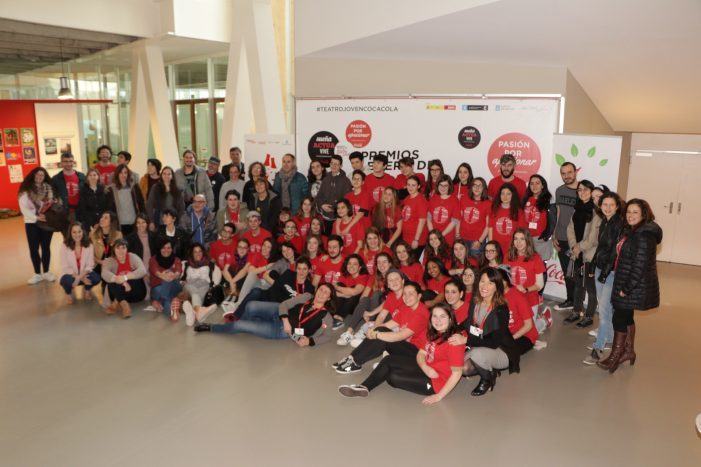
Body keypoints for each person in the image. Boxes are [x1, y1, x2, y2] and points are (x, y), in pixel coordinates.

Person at [339, 302, 465, 404]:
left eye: (442, 316)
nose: (438, 320)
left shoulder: (454, 341)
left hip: (435, 382)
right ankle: (363, 387)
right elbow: (421, 353)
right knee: (389, 361)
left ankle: (373, 370)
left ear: (450, 318)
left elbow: (457, 373)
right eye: (435, 316)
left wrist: (439, 396)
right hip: (426, 367)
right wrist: (425, 367)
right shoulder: (433, 332)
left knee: (392, 378)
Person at [598, 199, 662, 374]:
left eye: (635, 212)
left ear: (643, 214)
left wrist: (626, 288)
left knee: (619, 318)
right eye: (628, 212)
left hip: (632, 285)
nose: (630, 215)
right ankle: (628, 351)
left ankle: (616, 355)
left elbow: (639, 266)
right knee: (626, 317)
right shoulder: (633, 231)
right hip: (626, 281)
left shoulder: (644, 235)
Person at [448, 267, 521, 396]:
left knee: (472, 357)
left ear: (497, 286)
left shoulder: (500, 309)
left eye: (490, 283)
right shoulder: (475, 301)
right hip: (480, 343)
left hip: (501, 350)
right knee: (462, 367)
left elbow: (493, 342)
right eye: (482, 281)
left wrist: (466, 340)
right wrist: (453, 329)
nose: (484, 286)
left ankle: (487, 379)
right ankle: (489, 369)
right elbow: (469, 322)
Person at [196, 283, 335, 349]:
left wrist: (309, 342)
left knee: (240, 325)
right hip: (279, 313)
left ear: (329, 298)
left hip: (283, 331)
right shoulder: (307, 296)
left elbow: (328, 336)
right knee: (250, 305)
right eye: (321, 289)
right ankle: (248, 325)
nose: (321, 293)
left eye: (326, 293)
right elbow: (284, 305)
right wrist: (285, 319)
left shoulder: (326, 316)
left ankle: (212, 327)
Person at [334, 280, 430, 374]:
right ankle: (351, 358)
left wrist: (377, 335)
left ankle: (356, 363)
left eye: (411, 294)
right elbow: (391, 323)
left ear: (419, 296)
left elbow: (400, 336)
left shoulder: (421, 313)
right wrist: (374, 330)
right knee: (380, 329)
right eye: (404, 294)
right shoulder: (405, 307)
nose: (407, 297)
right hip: (404, 344)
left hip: (416, 353)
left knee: (382, 335)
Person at [583, 192, 625, 365]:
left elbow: (615, 252)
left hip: (610, 272)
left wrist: (605, 273)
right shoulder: (605, 222)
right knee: (606, 308)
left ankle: (598, 348)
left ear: (617, 206)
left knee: (605, 311)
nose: (607, 208)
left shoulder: (619, 224)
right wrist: (594, 266)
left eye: (611, 205)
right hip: (601, 269)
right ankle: (608, 338)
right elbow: (601, 247)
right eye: (604, 204)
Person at [564, 180, 601, 328]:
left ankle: (589, 316)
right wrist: (574, 246)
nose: (582, 192)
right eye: (579, 190)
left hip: (589, 255)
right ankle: (576, 311)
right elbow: (570, 229)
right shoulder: (576, 209)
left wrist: (580, 247)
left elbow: (593, 238)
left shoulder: (596, 211)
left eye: (586, 190)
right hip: (577, 253)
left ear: (591, 191)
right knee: (579, 284)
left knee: (591, 288)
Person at [18, 167, 57, 284]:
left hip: (46, 222)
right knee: (33, 248)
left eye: (42, 175)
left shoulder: (49, 189)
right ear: (33, 175)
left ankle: (46, 272)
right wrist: (36, 217)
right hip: (31, 223)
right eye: (37, 175)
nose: (39, 177)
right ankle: (37, 274)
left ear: (45, 177)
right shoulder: (25, 190)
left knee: (46, 247)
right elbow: (23, 208)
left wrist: (48, 215)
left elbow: (52, 204)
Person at [506, 228, 547, 333]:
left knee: (528, 333)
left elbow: (539, 285)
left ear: (527, 241)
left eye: (522, 239)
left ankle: (544, 320)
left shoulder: (536, 258)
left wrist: (526, 289)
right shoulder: (508, 256)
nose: (518, 242)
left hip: (530, 299)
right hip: (511, 301)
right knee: (514, 330)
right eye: (516, 239)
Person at [552, 162, 579, 311]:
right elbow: (558, 212)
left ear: (575, 172)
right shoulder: (559, 190)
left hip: (577, 240)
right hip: (561, 238)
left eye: (569, 172)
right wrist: (554, 234)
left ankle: (578, 304)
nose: (566, 176)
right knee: (567, 272)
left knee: (577, 273)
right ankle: (570, 300)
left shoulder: (583, 190)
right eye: (563, 173)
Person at [179, 243, 224, 326]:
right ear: (192, 253)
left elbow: (217, 278)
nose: (198, 253)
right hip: (189, 285)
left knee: (197, 293)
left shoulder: (210, 264)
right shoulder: (185, 264)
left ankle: (194, 314)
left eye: (200, 251)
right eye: (195, 252)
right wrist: (182, 282)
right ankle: (200, 311)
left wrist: (213, 286)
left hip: (204, 286)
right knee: (193, 289)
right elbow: (180, 278)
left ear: (203, 252)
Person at [101, 239, 147, 318]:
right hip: (119, 291)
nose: (121, 251)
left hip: (136, 294)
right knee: (112, 282)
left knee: (135, 278)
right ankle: (124, 305)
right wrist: (120, 280)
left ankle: (116, 302)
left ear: (127, 249)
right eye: (118, 248)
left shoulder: (133, 256)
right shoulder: (109, 261)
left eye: (123, 248)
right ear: (114, 250)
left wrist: (125, 278)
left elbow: (143, 270)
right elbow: (104, 273)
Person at [497, 268, 538, 355]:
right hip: (506, 333)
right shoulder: (495, 296)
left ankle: (544, 320)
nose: (499, 283)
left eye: (502, 280)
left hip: (525, 335)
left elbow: (528, 325)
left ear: (507, 280)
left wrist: (511, 338)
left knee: (507, 352)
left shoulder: (517, 296)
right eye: (496, 281)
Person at [59, 222, 101, 304]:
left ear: (83, 232)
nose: (77, 234)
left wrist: (79, 277)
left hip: (83, 273)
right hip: (71, 274)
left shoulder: (89, 245)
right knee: (66, 281)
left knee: (96, 278)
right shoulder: (65, 245)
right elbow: (65, 266)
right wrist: (79, 277)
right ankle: (68, 294)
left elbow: (90, 265)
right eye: (74, 232)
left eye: (79, 231)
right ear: (70, 233)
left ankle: (87, 290)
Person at [314, 155, 352, 232]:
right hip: (325, 218)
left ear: (340, 166)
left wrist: (333, 208)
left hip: (338, 219)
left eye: (336, 164)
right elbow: (319, 197)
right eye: (332, 163)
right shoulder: (325, 179)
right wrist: (322, 205)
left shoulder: (346, 181)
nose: (333, 166)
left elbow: (347, 202)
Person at [148, 239, 183, 320]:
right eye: (163, 248)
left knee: (162, 295)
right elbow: (156, 272)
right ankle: (172, 313)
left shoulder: (176, 259)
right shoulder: (153, 260)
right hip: (158, 287)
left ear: (172, 249)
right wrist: (164, 275)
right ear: (159, 248)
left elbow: (178, 272)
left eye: (169, 248)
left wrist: (171, 275)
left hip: (174, 287)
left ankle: (159, 301)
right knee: (164, 297)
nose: (166, 250)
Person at [332, 254, 369, 329]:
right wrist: (344, 294)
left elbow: (354, 292)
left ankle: (340, 317)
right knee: (340, 284)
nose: (351, 266)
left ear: (360, 267)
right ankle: (334, 314)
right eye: (349, 263)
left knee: (351, 290)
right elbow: (333, 291)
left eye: (355, 264)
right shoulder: (345, 275)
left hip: (357, 306)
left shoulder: (363, 276)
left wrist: (338, 288)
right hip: (346, 302)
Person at [457, 177, 491, 258]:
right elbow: (459, 218)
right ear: (471, 187)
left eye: (480, 186)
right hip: (463, 238)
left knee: (475, 267)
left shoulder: (488, 203)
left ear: (484, 188)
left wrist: (480, 241)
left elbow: (488, 225)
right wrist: (458, 235)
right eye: (475, 185)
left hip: (476, 241)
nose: (477, 188)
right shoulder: (464, 199)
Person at [523, 174, 553, 262]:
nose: (534, 186)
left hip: (541, 240)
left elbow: (553, 220)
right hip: (527, 240)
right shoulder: (525, 200)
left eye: (537, 183)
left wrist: (547, 235)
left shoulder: (549, 200)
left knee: (541, 269)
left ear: (542, 185)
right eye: (532, 184)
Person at [107, 164, 145, 236]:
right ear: (117, 174)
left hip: (134, 223)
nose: (123, 175)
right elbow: (110, 208)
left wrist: (143, 218)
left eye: (125, 172)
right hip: (119, 225)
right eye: (121, 173)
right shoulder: (111, 189)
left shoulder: (134, 187)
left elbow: (141, 203)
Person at [488, 183, 525, 256]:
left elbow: (521, 232)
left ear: (513, 196)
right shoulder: (494, 209)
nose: (505, 196)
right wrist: (491, 247)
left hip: (512, 248)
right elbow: (490, 229)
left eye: (508, 194)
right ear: (499, 195)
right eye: (503, 194)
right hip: (496, 248)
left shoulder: (519, 212)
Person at [397, 175, 428, 258]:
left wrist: (416, 239)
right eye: (408, 185)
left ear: (418, 186)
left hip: (417, 240)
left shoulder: (421, 200)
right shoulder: (407, 198)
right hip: (406, 238)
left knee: (412, 262)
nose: (410, 187)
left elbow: (422, 221)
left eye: (413, 185)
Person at [90, 211, 123, 283]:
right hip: (98, 264)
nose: (101, 219)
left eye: (106, 218)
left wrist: (110, 262)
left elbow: (121, 254)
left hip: (113, 265)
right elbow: (89, 254)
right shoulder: (93, 234)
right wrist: (101, 262)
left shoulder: (118, 235)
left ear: (111, 222)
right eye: (102, 217)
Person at [427, 175, 459, 245]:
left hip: (446, 238)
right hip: (433, 238)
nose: (443, 188)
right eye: (441, 185)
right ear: (437, 185)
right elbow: (429, 217)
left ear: (449, 186)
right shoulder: (434, 197)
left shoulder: (454, 200)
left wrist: (440, 236)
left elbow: (454, 221)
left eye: (445, 186)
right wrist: (433, 235)